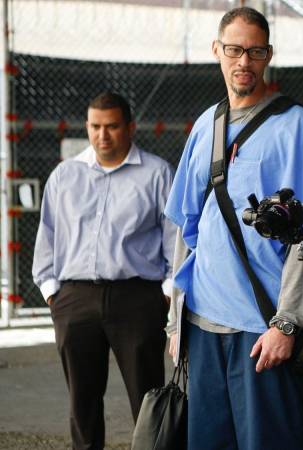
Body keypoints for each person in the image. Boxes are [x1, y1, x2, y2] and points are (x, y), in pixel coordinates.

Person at [164, 7, 303, 450]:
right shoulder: (205, 125)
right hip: (201, 325)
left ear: (268, 55)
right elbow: (187, 228)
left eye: (255, 52)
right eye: (235, 50)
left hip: (261, 329)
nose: (244, 62)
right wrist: (174, 322)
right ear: (217, 51)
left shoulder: (296, 126)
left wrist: (288, 323)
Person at [32, 91, 175, 450]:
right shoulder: (65, 176)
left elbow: (176, 240)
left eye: (111, 126)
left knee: (148, 400)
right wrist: (53, 294)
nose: (102, 136)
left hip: (138, 298)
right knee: (82, 403)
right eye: (95, 127)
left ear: (130, 127)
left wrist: (165, 296)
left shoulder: (157, 173)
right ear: (87, 126)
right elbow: (47, 236)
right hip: (75, 299)